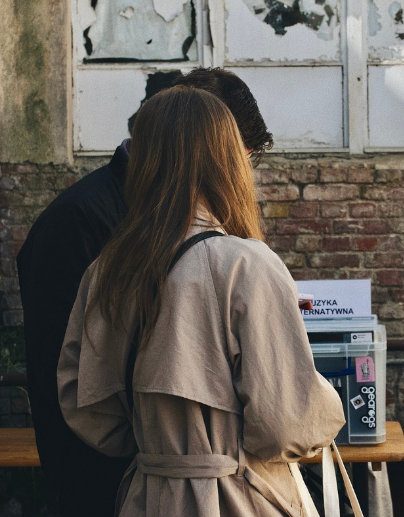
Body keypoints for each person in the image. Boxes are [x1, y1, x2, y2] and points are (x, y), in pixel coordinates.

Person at [57, 86, 345, 516]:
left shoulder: (108, 270)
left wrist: (165, 446)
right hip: (241, 497)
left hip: (148, 498)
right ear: (226, 160)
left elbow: (85, 407)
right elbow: (288, 426)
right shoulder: (246, 263)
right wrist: (320, 394)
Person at [17, 68, 274, 517]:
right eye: (237, 157)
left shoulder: (189, 229)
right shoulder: (79, 223)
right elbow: (70, 385)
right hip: (116, 487)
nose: (241, 175)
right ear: (200, 145)